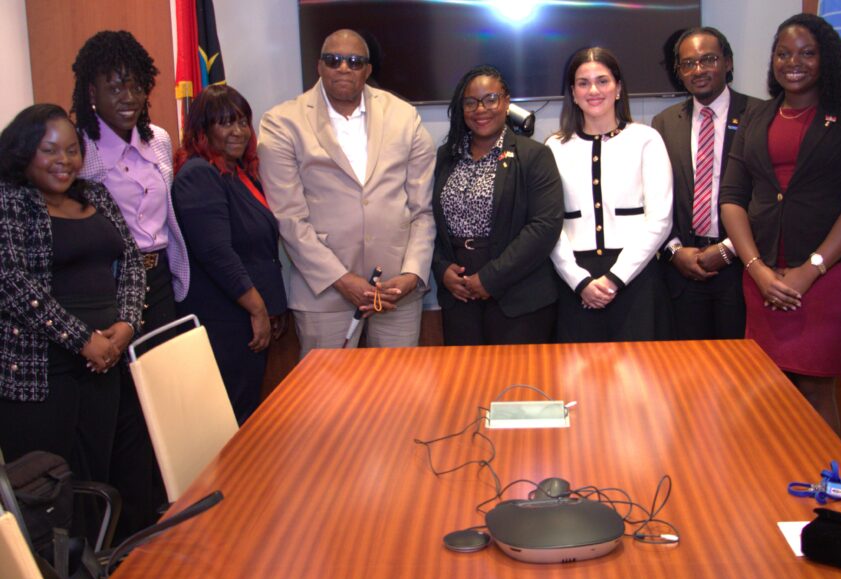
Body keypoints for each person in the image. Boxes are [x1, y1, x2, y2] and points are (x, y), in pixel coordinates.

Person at [719, 14, 841, 434]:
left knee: (814, 386)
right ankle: (775, 488)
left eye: (808, 53)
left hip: (827, 277)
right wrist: (756, 269)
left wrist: (809, 270)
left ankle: (827, 495)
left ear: (826, 58)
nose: (794, 61)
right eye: (784, 53)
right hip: (763, 275)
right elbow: (732, 200)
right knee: (766, 386)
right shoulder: (757, 116)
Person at [71, 30, 187, 535]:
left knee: (165, 397)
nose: (127, 96)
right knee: (124, 412)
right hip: (112, 288)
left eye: (136, 85)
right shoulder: (79, 148)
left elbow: (168, 216)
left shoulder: (158, 138)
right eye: (114, 85)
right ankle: (127, 525)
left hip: (160, 281)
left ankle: (163, 504)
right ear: (90, 91)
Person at [258, 29, 435, 354]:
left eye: (354, 62)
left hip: (395, 292)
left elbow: (422, 211)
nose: (343, 68)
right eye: (333, 60)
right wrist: (342, 279)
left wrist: (412, 274)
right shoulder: (282, 122)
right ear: (319, 66)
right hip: (324, 291)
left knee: (400, 397)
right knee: (328, 401)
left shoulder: (403, 115)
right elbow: (290, 219)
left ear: (368, 70)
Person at [0, 104, 144, 491]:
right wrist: (83, 339)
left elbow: (131, 259)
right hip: (43, 370)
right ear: (23, 152)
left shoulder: (95, 194)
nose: (63, 160)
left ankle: (97, 551)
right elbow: (10, 281)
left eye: (71, 149)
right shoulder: (10, 203)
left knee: (98, 475)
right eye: (49, 150)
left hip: (105, 363)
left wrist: (127, 323)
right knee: (50, 489)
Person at [172, 85, 288, 424]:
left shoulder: (238, 173)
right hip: (226, 319)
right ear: (203, 130)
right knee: (228, 416)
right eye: (225, 123)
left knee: (245, 410)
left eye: (242, 122)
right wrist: (258, 309)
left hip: (245, 317)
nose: (237, 131)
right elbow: (216, 253)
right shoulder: (199, 174)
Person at [546, 47, 674, 342]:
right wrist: (579, 281)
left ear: (618, 89)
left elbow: (660, 220)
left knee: (640, 379)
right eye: (583, 83)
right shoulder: (554, 147)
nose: (594, 90)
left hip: (636, 277)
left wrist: (615, 279)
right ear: (573, 93)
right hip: (575, 281)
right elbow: (549, 224)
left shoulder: (646, 139)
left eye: (602, 81)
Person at [430, 66, 563, 345]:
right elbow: (429, 220)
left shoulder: (533, 155)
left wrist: (490, 279)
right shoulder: (446, 157)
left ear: (506, 102)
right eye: (471, 102)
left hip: (518, 297)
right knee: (468, 383)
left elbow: (544, 226)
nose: (481, 109)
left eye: (490, 99)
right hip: (459, 295)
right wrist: (442, 270)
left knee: (518, 383)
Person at [652, 27, 760, 340]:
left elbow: (766, 196)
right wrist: (674, 252)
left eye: (708, 59)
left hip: (741, 268)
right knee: (688, 373)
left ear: (728, 62)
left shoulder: (760, 114)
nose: (698, 70)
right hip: (684, 270)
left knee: (740, 371)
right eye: (688, 64)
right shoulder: (664, 123)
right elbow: (658, 196)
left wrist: (729, 249)